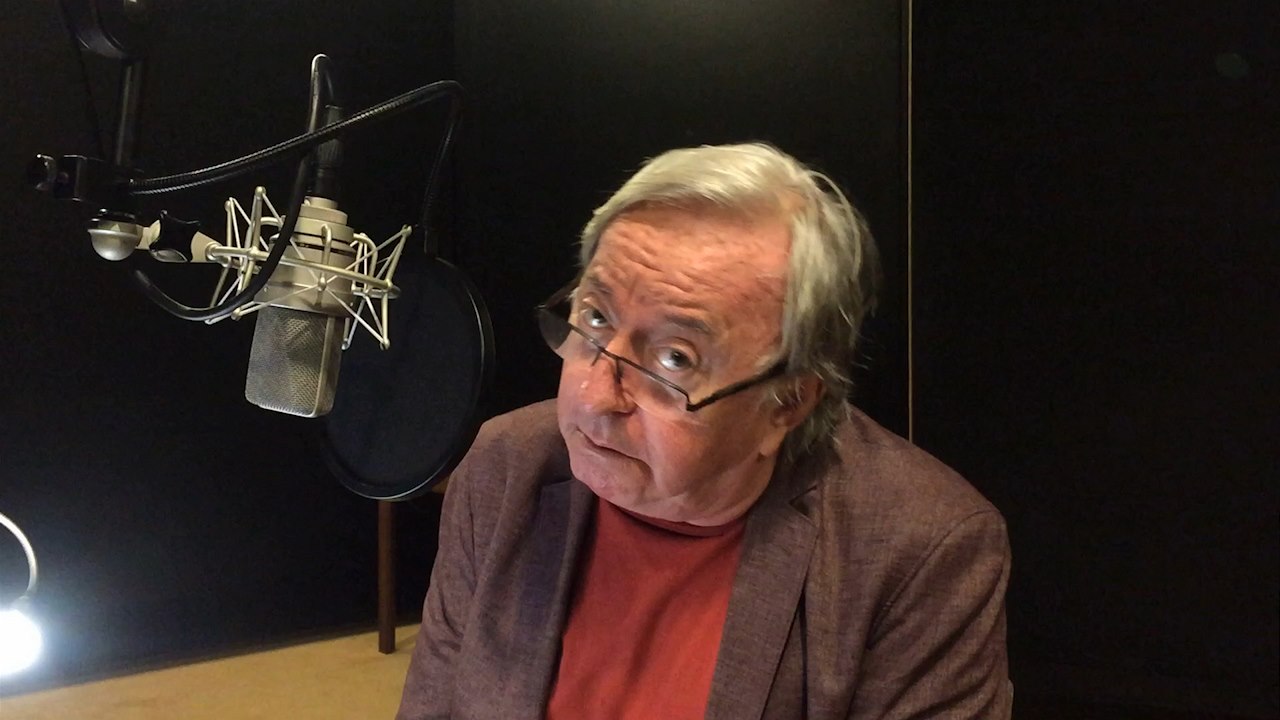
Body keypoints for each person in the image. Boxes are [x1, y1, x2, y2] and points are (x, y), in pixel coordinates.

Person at [396, 143, 1012, 719]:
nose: (593, 395)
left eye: (675, 358)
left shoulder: (923, 550)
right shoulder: (505, 465)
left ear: (787, 404)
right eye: (596, 316)